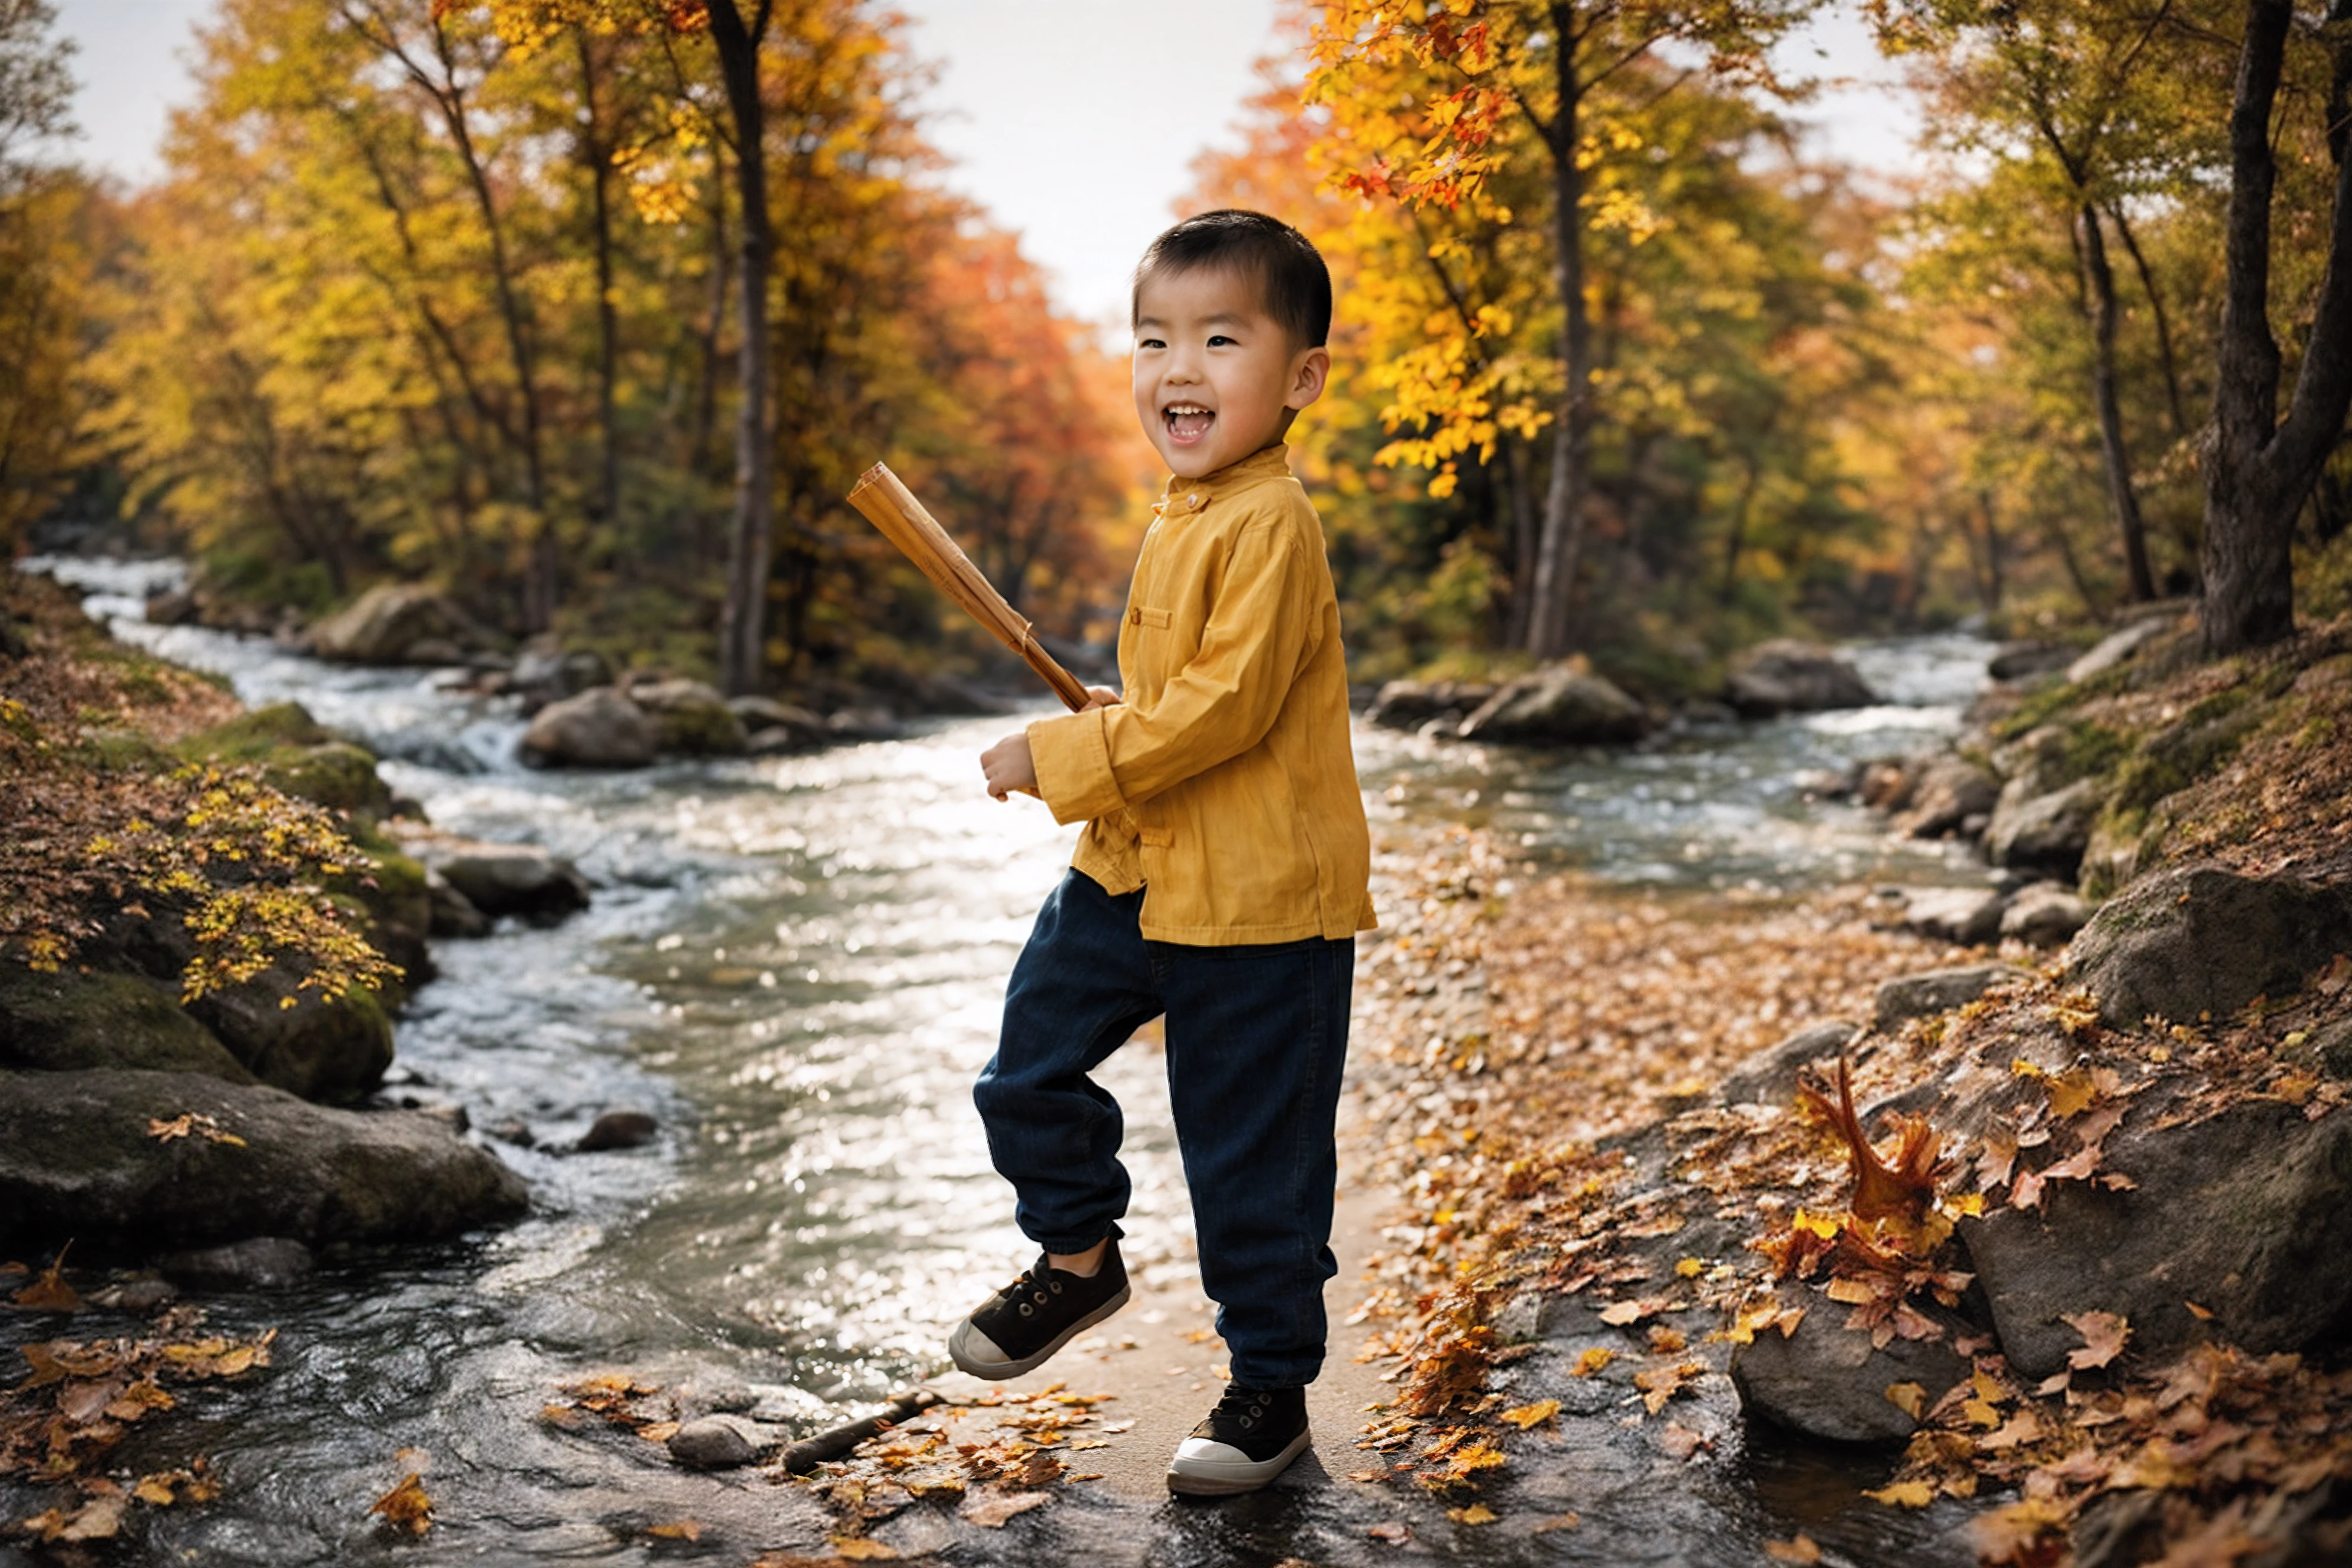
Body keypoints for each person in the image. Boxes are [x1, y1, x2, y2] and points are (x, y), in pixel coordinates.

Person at [952, 209, 1375, 1497]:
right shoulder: (1184, 510)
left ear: (1299, 377)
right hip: (1133, 870)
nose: (1176, 368)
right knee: (1023, 1071)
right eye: (1153, 340)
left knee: (1251, 1164)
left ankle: (1269, 1391)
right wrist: (1105, 722)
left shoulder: (1272, 523)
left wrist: (1065, 756)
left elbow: (1230, 708)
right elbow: (1178, 697)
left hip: (1258, 904)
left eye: (1218, 338)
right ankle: (1078, 1256)